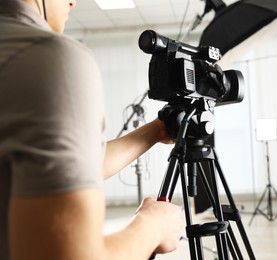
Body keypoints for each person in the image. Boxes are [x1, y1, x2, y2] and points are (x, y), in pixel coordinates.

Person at [0, 0, 184, 259]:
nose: (73, 2)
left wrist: (156, 131)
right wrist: (154, 226)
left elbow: (62, 168)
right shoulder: (48, 57)